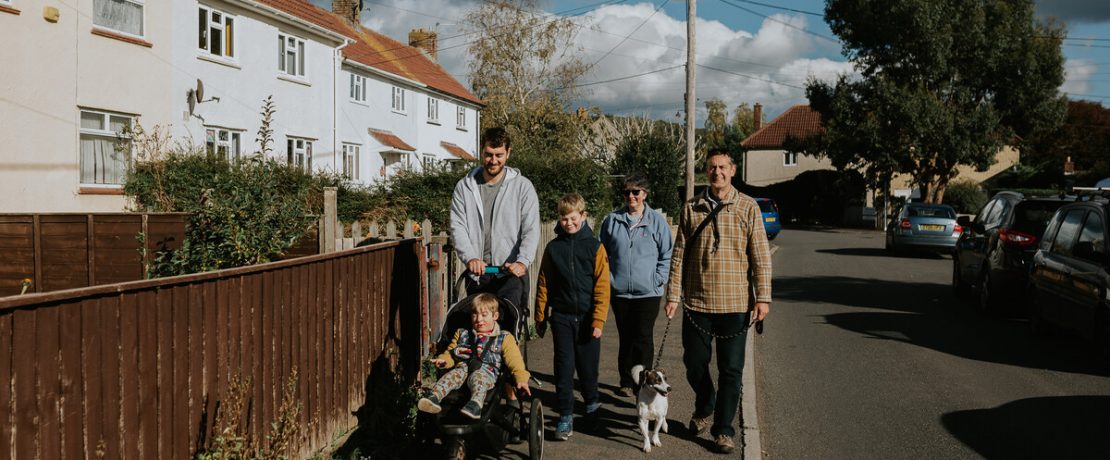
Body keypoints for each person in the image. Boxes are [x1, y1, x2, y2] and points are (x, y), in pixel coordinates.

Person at [664, 149, 772, 454]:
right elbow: (678, 256)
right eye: (712, 167)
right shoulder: (691, 208)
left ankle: (723, 430)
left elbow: (761, 258)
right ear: (706, 171)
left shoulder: (748, 207)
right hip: (697, 303)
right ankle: (705, 400)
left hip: (736, 304)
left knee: (732, 370)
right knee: (694, 363)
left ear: (733, 171)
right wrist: (673, 295)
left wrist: (762, 298)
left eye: (723, 167)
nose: (717, 172)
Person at [534, 193, 611, 441]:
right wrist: (540, 316)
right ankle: (565, 415)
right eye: (564, 218)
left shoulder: (595, 247)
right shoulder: (553, 248)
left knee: (588, 370)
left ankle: (591, 408)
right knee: (564, 368)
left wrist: (598, 320)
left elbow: (602, 287)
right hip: (562, 317)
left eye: (573, 218)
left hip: (588, 318)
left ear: (583, 216)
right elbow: (544, 283)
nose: (568, 223)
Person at [450, 127, 541, 317]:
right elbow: (458, 226)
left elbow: (531, 229)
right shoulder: (464, 187)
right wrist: (470, 257)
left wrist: (522, 261)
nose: (493, 160)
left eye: (499, 155)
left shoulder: (523, 187)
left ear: (508, 153)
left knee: (508, 328)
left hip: (510, 274)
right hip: (478, 274)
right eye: (488, 154)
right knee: (479, 331)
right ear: (481, 152)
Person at [598, 175, 673, 397]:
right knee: (626, 337)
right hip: (619, 292)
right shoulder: (612, 220)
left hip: (648, 292)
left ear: (645, 194)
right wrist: (609, 280)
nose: (631, 196)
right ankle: (625, 380)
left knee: (643, 336)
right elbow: (602, 255)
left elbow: (667, 254)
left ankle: (645, 381)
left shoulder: (656, 221)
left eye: (636, 192)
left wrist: (658, 279)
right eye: (627, 192)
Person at [417, 293, 531, 419]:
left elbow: (515, 361)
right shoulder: (462, 333)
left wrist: (521, 379)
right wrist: (444, 360)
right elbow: (450, 353)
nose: (479, 319)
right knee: (451, 376)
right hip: (462, 369)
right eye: (475, 314)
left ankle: (475, 404)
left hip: (487, 372)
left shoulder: (504, 338)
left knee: (478, 378)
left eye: (484, 315)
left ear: (495, 316)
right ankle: (434, 397)